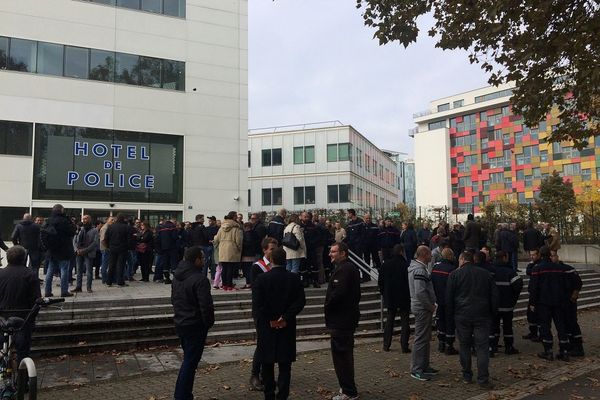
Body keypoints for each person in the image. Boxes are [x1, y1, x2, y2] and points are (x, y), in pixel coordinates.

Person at [252, 247, 306, 400]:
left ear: (272, 260)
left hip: (267, 326)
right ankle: (282, 396)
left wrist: (270, 318)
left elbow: (257, 304)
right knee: (285, 365)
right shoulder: (294, 279)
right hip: (286, 326)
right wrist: (286, 317)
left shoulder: (262, 279)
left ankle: (269, 395)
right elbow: (300, 301)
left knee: (267, 364)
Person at [446, 251, 498, 389]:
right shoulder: (485, 274)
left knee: (464, 345)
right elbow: (494, 295)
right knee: (482, 347)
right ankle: (483, 378)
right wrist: (493, 313)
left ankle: (467, 375)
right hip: (482, 314)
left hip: (462, 315)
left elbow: (449, 298)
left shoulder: (454, 275)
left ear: (462, 260)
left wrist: (451, 316)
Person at [171, 247, 215, 400]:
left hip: (181, 322)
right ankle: (182, 395)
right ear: (196, 259)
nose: (204, 261)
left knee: (189, 360)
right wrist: (207, 323)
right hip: (195, 325)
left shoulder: (177, 276)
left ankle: (184, 394)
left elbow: (174, 300)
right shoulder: (199, 279)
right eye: (202, 258)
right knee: (190, 362)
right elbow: (206, 305)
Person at [325, 242, 361, 400]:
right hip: (345, 319)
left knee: (342, 357)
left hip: (342, 321)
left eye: (333, 252)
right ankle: (347, 387)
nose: (330, 254)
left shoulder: (345, 270)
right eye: (330, 251)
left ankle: (349, 391)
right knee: (344, 356)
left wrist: (328, 305)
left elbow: (338, 294)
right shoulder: (346, 268)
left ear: (343, 253)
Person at [529, 246, 571, 361]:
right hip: (559, 302)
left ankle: (548, 351)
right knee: (561, 326)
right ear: (550, 255)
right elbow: (566, 285)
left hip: (544, 303)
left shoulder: (537, 269)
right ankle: (564, 351)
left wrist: (532, 302)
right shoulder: (559, 268)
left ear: (540, 255)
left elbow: (533, 287)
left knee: (545, 326)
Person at [0, 246, 41, 363]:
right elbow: (36, 299)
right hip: (23, 317)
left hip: (2, 316)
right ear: (24, 258)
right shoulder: (30, 274)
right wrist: (32, 317)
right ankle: (23, 374)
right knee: (23, 349)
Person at [249, 237, 278, 391]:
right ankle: (254, 375)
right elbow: (257, 291)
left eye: (276, 249)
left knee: (271, 344)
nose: (274, 252)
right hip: (261, 312)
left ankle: (266, 375)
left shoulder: (277, 265)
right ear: (265, 250)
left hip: (276, 312)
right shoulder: (257, 267)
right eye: (271, 249)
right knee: (262, 343)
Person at [408, 245, 437, 381]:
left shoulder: (419, 268)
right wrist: (430, 306)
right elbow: (420, 291)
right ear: (424, 254)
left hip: (422, 307)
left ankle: (424, 366)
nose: (431, 256)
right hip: (422, 308)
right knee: (421, 338)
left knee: (425, 338)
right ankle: (417, 369)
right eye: (429, 254)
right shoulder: (419, 270)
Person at [550, 249, 584, 357]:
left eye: (553, 256)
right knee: (564, 325)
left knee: (572, 323)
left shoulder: (568, 269)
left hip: (569, 301)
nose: (552, 258)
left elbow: (578, 282)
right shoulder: (552, 271)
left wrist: (575, 294)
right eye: (550, 256)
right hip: (559, 302)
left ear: (557, 257)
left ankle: (578, 347)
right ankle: (570, 346)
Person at [489, 250, 523, 357]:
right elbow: (518, 285)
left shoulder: (491, 271)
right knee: (507, 327)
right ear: (504, 258)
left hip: (494, 306)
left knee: (494, 326)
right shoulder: (510, 272)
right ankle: (509, 347)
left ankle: (493, 346)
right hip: (507, 305)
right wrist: (513, 298)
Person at [378, 244, 411, 353]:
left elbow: (380, 282)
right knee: (405, 320)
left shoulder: (386, 264)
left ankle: (386, 344)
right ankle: (404, 346)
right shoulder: (405, 265)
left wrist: (384, 293)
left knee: (390, 320)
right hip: (403, 295)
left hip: (390, 296)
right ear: (401, 252)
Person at [42, 204, 77, 297]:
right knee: (64, 270)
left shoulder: (48, 221)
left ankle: (47, 291)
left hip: (52, 250)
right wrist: (70, 221)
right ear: (62, 210)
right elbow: (72, 231)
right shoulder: (64, 220)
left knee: (50, 270)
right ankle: (64, 291)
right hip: (63, 249)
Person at [430, 248, 458, 355]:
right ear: (450, 256)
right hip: (449, 301)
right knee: (450, 322)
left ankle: (441, 342)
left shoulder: (435, 267)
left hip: (438, 299)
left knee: (440, 321)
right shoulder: (452, 270)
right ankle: (449, 345)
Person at [213, 211, 242, 291]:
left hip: (222, 249)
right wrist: (239, 248)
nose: (237, 217)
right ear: (233, 217)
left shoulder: (221, 227)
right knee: (230, 268)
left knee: (224, 268)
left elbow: (216, 239)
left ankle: (224, 285)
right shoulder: (236, 228)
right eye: (236, 216)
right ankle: (229, 285)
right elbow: (238, 240)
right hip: (232, 249)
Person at [103, 213, 133, 287]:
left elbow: (106, 238)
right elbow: (129, 240)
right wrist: (129, 247)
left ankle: (109, 281)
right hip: (123, 249)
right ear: (123, 219)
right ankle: (120, 281)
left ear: (116, 218)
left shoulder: (110, 227)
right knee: (121, 265)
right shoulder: (127, 227)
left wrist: (108, 246)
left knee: (111, 265)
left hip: (112, 248)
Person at [72, 215, 99, 293]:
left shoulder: (94, 230)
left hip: (88, 252)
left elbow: (95, 243)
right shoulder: (80, 229)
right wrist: (76, 250)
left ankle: (88, 287)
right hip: (79, 252)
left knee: (89, 271)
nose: (84, 220)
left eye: (86, 219)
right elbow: (74, 240)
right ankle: (78, 287)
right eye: (83, 219)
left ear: (90, 220)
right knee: (79, 270)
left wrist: (85, 250)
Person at [11, 213, 42, 279]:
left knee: (21, 264)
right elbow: (40, 238)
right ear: (30, 219)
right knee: (35, 266)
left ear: (23, 218)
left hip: (22, 247)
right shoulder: (36, 226)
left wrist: (17, 245)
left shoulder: (19, 226)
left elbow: (13, 237)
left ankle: (21, 279)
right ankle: (34, 279)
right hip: (34, 248)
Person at [523, 248, 542, 341]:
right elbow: (528, 271)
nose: (532, 256)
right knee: (530, 314)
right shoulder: (532, 264)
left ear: (539, 254)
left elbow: (530, 271)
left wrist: (532, 266)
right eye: (531, 255)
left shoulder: (541, 264)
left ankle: (541, 334)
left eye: (534, 255)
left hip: (540, 293)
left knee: (539, 314)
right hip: (533, 292)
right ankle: (533, 332)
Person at [99, 216, 114, 284]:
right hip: (105, 249)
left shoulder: (109, 227)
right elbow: (102, 240)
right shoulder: (105, 228)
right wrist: (107, 247)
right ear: (107, 220)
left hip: (106, 248)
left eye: (113, 220)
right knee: (104, 264)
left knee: (106, 264)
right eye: (111, 220)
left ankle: (105, 279)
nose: (113, 221)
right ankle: (104, 279)